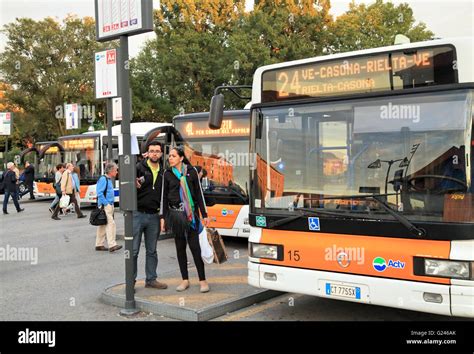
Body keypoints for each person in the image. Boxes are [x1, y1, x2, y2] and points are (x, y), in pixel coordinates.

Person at [161, 146, 210, 293]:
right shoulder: (167, 173)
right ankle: (185, 280)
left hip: (190, 215)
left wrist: (205, 215)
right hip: (175, 215)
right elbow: (164, 196)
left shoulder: (192, 171)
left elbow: (199, 194)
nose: (170, 158)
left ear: (181, 158)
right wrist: (162, 217)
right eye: (169, 156)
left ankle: (203, 280)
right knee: (180, 248)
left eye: (173, 156)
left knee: (195, 248)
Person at [133, 141, 167, 290]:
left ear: (161, 153)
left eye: (157, 151)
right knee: (133, 250)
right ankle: (131, 281)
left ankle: (151, 279)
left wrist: (162, 217)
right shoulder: (138, 168)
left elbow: (165, 196)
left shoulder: (164, 172)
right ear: (147, 152)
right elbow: (125, 183)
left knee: (152, 250)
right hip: (137, 214)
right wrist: (131, 183)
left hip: (154, 216)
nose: (154, 153)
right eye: (152, 150)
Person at [95, 162, 122, 252]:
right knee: (111, 224)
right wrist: (107, 204)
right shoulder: (104, 179)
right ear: (111, 171)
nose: (117, 172)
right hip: (105, 206)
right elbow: (99, 193)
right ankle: (112, 244)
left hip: (107, 205)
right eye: (115, 170)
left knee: (102, 225)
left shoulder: (107, 179)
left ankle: (99, 244)